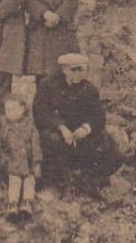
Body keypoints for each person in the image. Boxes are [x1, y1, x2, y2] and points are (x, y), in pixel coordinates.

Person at [33, 52, 122, 194]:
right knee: (51, 142)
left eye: (82, 69)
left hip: (79, 133)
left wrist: (85, 129)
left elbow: (98, 116)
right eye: (74, 70)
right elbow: (41, 112)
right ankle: (53, 185)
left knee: (107, 144)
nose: (79, 74)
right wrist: (61, 127)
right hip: (56, 130)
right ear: (64, 70)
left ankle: (90, 182)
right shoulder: (48, 86)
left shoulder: (89, 89)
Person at [0, 93, 42, 223]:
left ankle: (26, 204)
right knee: (14, 182)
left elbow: (36, 145)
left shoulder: (30, 126)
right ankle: (13, 204)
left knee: (29, 181)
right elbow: (2, 146)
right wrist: (5, 160)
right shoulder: (5, 128)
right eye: (7, 110)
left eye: (14, 109)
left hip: (28, 163)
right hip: (14, 163)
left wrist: (37, 162)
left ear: (23, 109)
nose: (10, 113)